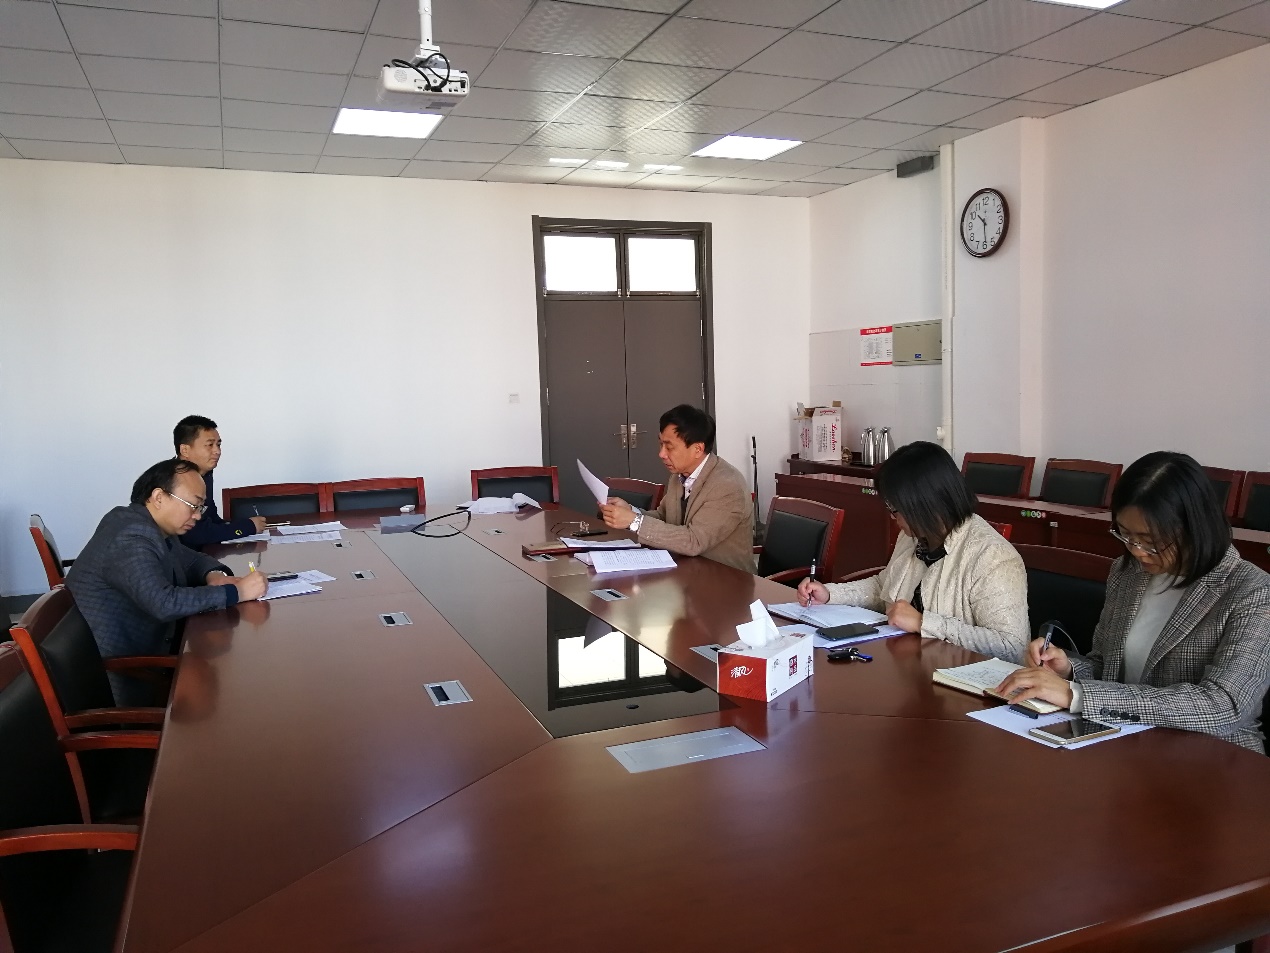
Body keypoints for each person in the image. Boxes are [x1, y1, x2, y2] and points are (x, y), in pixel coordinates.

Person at [997, 452, 1270, 753]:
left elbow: (1224, 706)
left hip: (1215, 756)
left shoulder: (1252, 591)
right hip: (1127, 739)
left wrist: (1078, 695)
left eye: (1151, 541)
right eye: (1126, 535)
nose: (1137, 551)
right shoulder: (1128, 573)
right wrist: (1068, 670)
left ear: (1196, 526)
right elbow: (1108, 668)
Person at [797, 441, 1028, 659]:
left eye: (894, 508)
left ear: (923, 505)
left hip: (957, 678)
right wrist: (830, 594)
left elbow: (1011, 647)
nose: (892, 517)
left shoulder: (993, 557)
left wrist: (922, 623)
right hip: (908, 663)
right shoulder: (915, 536)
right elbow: (884, 586)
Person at [66, 458, 267, 704]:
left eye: (201, 508)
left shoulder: (147, 524)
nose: (197, 515)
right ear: (159, 497)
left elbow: (190, 560)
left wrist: (214, 574)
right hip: (127, 673)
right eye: (193, 505)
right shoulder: (131, 536)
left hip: (151, 648)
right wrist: (236, 593)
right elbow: (163, 603)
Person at [599, 405, 754, 573]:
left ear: (697, 449)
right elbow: (663, 517)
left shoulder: (728, 486)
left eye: (669, 447)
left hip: (726, 580)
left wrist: (635, 522)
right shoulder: (679, 475)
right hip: (686, 571)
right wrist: (631, 511)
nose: (661, 454)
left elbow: (694, 541)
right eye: (660, 444)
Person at [174, 414, 265, 548]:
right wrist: (247, 527)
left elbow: (212, 519)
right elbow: (195, 534)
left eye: (218, 444)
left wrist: (237, 527)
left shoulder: (204, 473)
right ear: (185, 450)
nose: (217, 451)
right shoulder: (176, 480)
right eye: (209, 445)